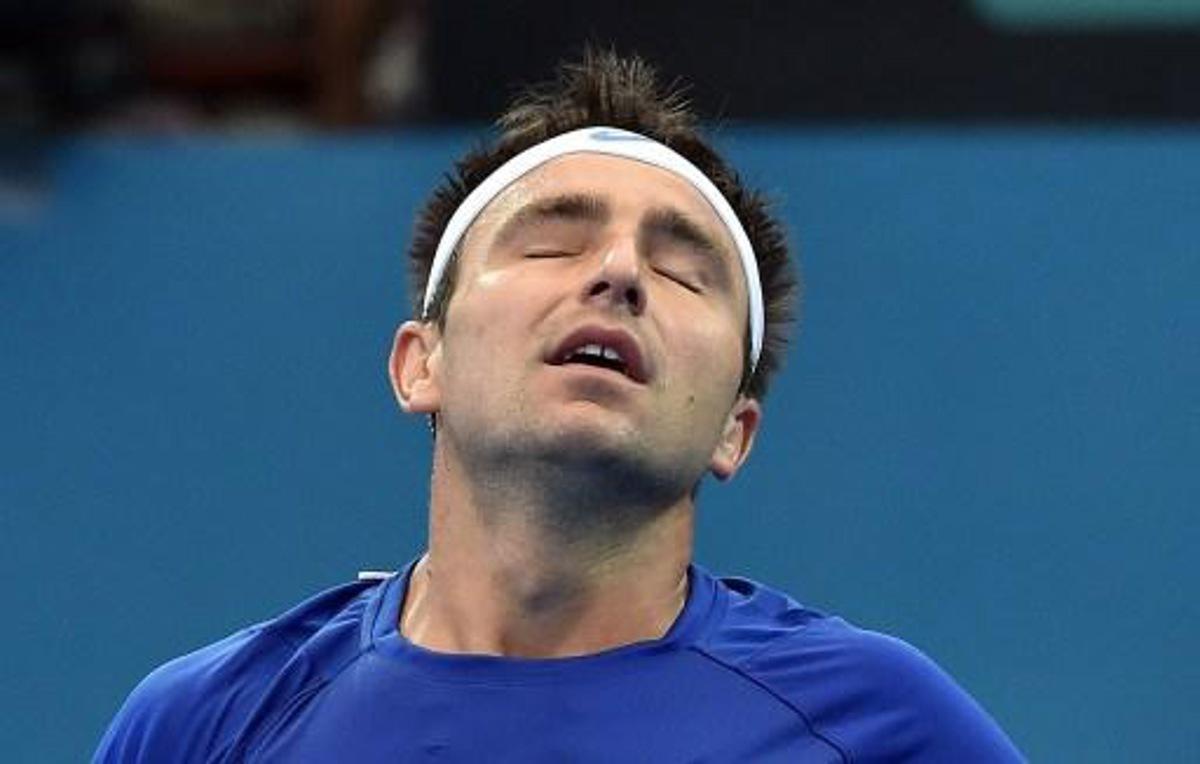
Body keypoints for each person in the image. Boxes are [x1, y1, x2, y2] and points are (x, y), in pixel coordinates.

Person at [95, 50, 1024, 762]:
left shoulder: (882, 727)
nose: (620, 273)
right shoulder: (200, 725)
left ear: (734, 432)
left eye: (682, 270)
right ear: (423, 363)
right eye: (552, 243)